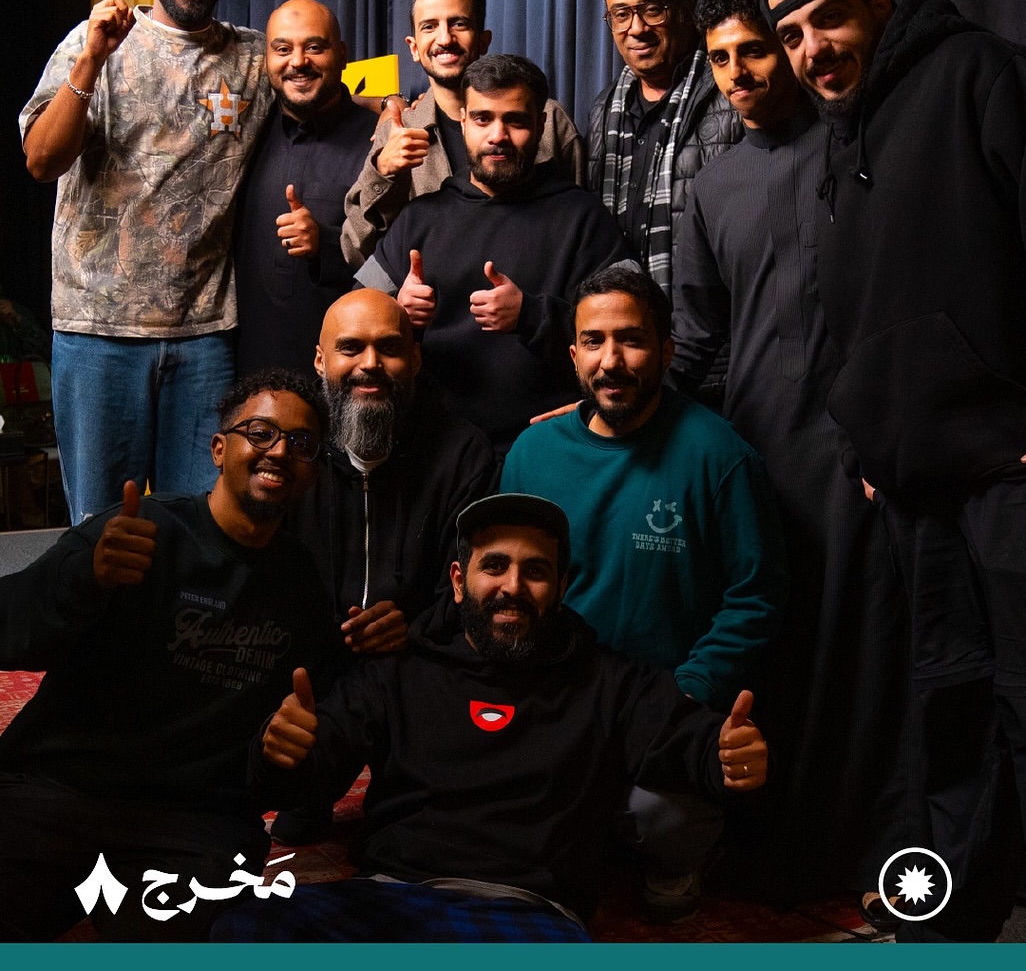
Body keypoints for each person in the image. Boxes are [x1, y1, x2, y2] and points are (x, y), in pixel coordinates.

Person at [761, 0, 1026, 942]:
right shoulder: (842, 140)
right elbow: (849, 316)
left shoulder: (979, 72)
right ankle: (950, 931)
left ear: (879, 4)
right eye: (792, 36)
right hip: (918, 488)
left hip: (1008, 470)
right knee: (949, 716)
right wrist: (866, 444)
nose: (812, 49)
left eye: (828, 19)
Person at [210, 492, 770, 942]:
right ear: (459, 581)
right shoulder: (398, 671)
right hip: (387, 895)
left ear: (562, 587)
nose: (512, 587)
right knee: (242, 926)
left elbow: (689, 738)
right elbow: (306, 773)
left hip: (526, 914)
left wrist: (725, 754)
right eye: (494, 566)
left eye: (536, 571)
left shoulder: (610, 680)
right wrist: (281, 750)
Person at [671, 0, 909, 911]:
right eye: (721, 60)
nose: (738, 73)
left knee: (869, 653)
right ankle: (775, 851)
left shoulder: (861, 146)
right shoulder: (710, 186)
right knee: (776, 655)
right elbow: (696, 337)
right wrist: (596, 414)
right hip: (760, 456)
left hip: (862, 457)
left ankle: (881, 855)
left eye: (753, 52)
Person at [0, 369, 342, 941]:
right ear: (218, 449)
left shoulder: (303, 586)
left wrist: (277, 755)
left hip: (193, 822)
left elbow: (275, 779)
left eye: (301, 442)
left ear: (311, 469)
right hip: (59, 787)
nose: (280, 451)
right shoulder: (139, 530)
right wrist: (84, 578)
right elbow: (11, 630)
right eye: (260, 432)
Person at [501, 262, 786, 918]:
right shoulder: (532, 453)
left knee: (665, 822)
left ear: (666, 350)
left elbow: (756, 596)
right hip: (557, 698)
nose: (611, 361)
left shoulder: (720, 456)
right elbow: (508, 585)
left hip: (664, 706)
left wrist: (688, 690)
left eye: (630, 340)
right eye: (594, 342)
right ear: (573, 354)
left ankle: (671, 857)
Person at [19, 0, 269, 524]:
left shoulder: (253, 58)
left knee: (203, 524)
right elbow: (41, 160)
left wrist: (395, 112)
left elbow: (330, 90)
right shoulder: (93, 43)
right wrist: (91, 61)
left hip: (204, 335)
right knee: (101, 527)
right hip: (97, 331)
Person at [272, 287, 497, 844]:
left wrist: (413, 626)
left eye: (389, 348)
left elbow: (476, 583)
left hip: (420, 668)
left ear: (415, 358)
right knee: (292, 811)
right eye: (351, 348)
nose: (370, 364)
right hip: (313, 673)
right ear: (321, 360)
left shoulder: (463, 452)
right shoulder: (290, 451)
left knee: (415, 836)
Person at [354, 55, 629, 451]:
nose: (497, 135)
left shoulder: (583, 218)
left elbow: (633, 331)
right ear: (463, 121)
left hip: (547, 447)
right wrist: (397, 313)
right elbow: (352, 320)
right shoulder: (419, 218)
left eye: (515, 121)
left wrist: (531, 315)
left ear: (540, 124)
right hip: (432, 451)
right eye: (483, 119)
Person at [342, 0, 584, 263]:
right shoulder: (397, 131)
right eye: (429, 26)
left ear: (483, 40)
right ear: (414, 48)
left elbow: (582, 228)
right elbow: (356, 253)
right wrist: (384, 172)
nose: (445, 39)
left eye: (459, 24)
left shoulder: (550, 121)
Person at [233, 0, 378, 376]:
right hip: (245, 369)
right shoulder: (241, 135)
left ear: (342, 55)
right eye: (283, 49)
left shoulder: (380, 143)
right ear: (266, 60)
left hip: (344, 378)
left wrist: (325, 245)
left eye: (314, 47)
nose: (298, 62)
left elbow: (397, 264)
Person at [587, 0, 743, 297]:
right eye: (621, 15)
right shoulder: (603, 109)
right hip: (630, 316)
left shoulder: (731, 91)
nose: (636, 29)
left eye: (652, 10)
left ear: (688, 11)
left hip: (715, 314)